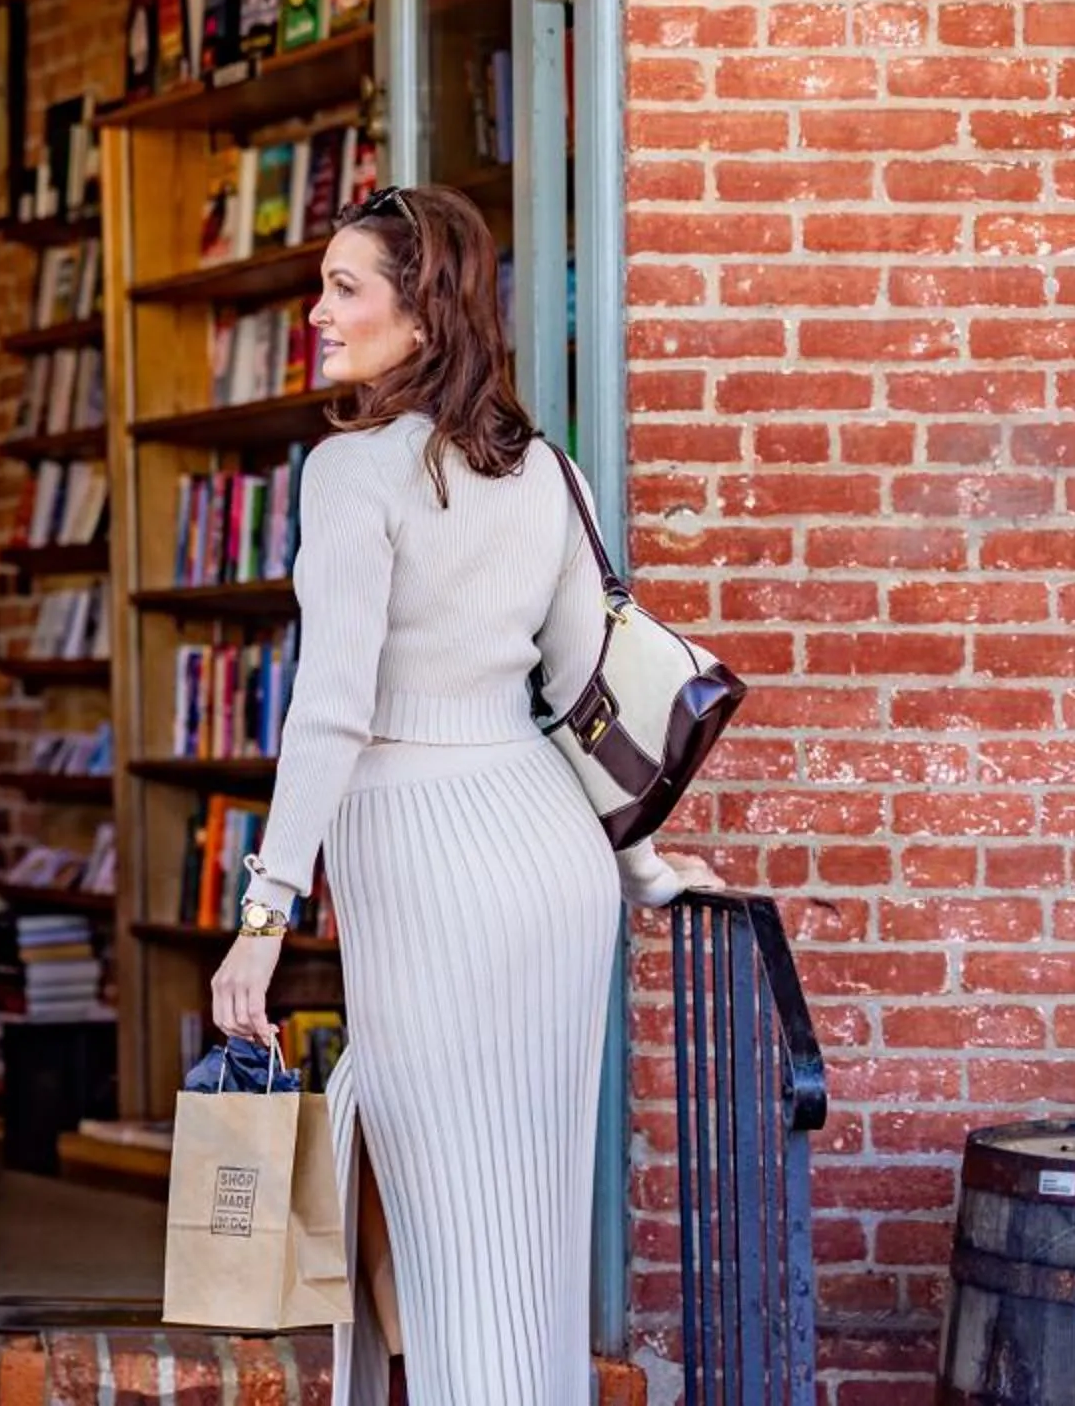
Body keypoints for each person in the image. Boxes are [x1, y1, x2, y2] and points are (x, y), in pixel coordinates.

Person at [208, 184, 718, 1406]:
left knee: (448, 1221)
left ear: (423, 316)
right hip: (550, 856)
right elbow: (584, 693)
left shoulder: (349, 471)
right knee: (518, 1227)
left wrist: (264, 914)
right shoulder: (547, 472)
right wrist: (641, 867)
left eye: (344, 289)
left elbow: (332, 709)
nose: (318, 311)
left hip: (428, 858)